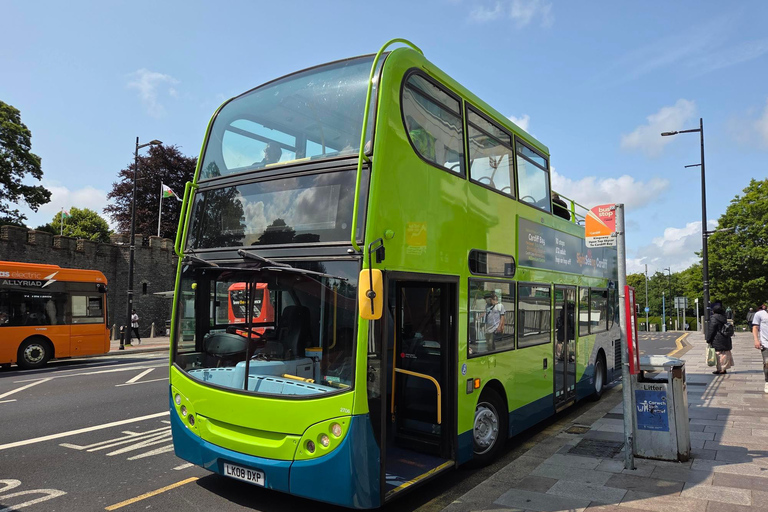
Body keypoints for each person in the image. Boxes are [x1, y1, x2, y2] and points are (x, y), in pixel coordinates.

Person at [707, 303, 733, 375]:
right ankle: (723, 368)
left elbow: (711, 329)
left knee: (718, 354)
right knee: (724, 353)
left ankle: (720, 369)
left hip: (717, 338)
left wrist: (708, 339)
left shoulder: (714, 318)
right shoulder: (724, 317)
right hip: (725, 337)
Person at [752, 303, 768, 393]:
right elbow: (755, 327)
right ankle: (767, 381)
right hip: (765, 343)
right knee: (767, 363)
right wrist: (756, 340)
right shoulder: (760, 314)